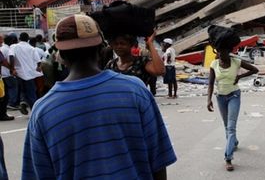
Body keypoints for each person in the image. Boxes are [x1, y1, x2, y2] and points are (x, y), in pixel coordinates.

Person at [22, 14, 176, 179]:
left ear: (61, 56)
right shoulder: (136, 91)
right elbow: (159, 161)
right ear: (100, 50)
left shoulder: (42, 111)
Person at [207, 46, 258, 171]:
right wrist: (208, 99)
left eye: (224, 51)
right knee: (226, 125)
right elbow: (210, 83)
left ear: (228, 52)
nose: (222, 54)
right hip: (220, 97)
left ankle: (228, 158)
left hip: (234, 96)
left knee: (231, 127)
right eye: (220, 51)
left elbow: (254, 69)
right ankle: (233, 142)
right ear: (217, 52)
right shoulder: (214, 64)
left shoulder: (236, 61)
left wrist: (240, 77)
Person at [9, 32, 42, 115]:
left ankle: (23, 102)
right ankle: (34, 111)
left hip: (18, 73)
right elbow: (38, 61)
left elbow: (11, 56)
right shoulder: (32, 48)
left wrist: (12, 69)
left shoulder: (14, 46)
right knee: (31, 92)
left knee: (22, 89)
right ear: (28, 39)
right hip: (29, 74)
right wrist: (38, 67)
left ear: (19, 38)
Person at [1, 34, 19, 110]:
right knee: (13, 87)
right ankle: (12, 103)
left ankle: (7, 103)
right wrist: (12, 69)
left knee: (5, 90)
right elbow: (9, 60)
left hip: (2, 74)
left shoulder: (2, 48)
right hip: (8, 73)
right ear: (11, 41)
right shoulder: (8, 49)